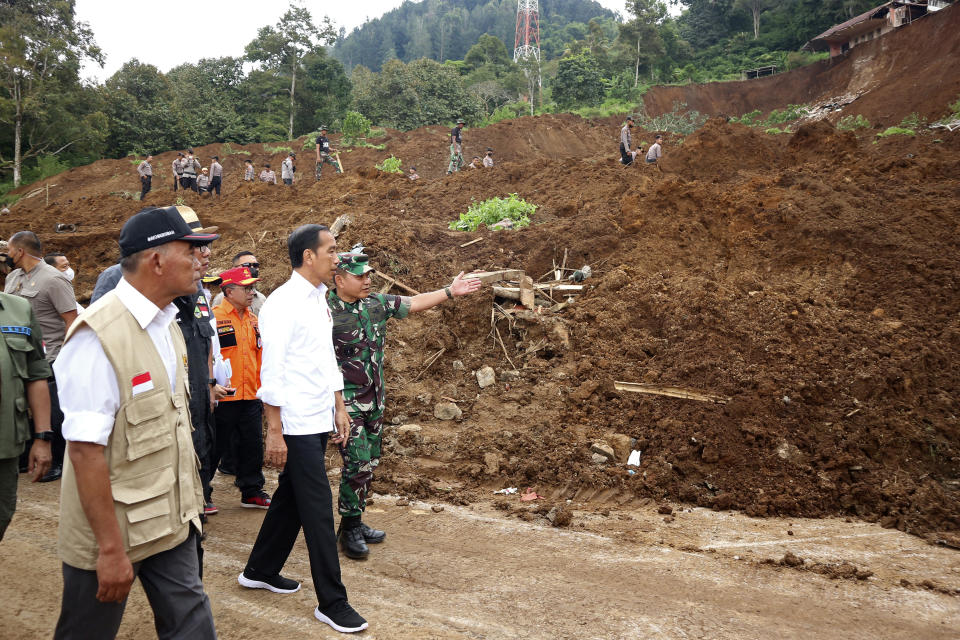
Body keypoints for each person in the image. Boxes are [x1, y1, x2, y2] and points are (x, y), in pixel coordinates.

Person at [52, 206, 217, 640]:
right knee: (87, 632)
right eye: (191, 250)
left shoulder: (169, 325)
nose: (202, 261)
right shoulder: (97, 338)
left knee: (194, 626)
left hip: (172, 519)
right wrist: (109, 550)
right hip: (114, 530)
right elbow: (86, 451)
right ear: (156, 260)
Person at [238, 224, 367, 634]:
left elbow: (325, 357)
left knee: (291, 497)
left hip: (318, 415)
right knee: (315, 508)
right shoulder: (282, 303)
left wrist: (339, 406)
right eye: (331, 250)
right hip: (293, 421)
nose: (337, 257)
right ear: (308, 256)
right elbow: (271, 371)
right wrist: (273, 430)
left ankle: (259, 570)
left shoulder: (318, 299)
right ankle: (332, 601)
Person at [328, 253, 482, 560]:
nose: (367, 280)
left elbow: (413, 303)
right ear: (340, 279)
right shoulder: (324, 311)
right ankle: (349, 529)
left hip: (375, 400)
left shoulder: (375, 304)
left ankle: (353, 521)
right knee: (356, 464)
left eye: (368, 275)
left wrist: (450, 291)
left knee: (370, 462)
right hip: (346, 404)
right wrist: (332, 409)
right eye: (360, 276)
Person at [4, 231, 77, 483]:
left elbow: (71, 321)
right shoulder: (14, 277)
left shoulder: (53, 279)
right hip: (18, 355)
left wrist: (67, 358)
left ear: (20, 251)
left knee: (53, 411)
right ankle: (25, 455)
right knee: (22, 406)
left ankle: (57, 459)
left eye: (10, 250)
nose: (7, 255)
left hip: (51, 356)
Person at [0, 258, 53, 541]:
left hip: (6, 445)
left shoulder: (19, 310)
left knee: (3, 512)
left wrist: (42, 438)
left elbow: (36, 374)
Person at [212, 266, 268, 509]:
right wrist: (210, 386)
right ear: (229, 291)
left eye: (253, 288)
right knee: (214, 448)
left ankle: (251, 490)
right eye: (247, 288)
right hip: (223, 397)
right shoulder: (214, 318)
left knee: (252, 445)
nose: (252, 293)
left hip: (251, 396)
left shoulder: (254, 320)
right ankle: (202, 493)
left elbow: (260, 357)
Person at [212, 251, 266, 316]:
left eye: (255, 265)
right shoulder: (221, 299)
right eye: (247, 265)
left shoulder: (262, 299)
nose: (252, 268)